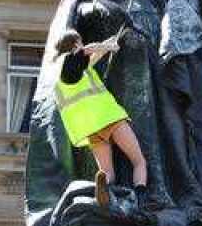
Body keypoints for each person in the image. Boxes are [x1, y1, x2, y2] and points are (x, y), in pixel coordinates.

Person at [53, 27, 148, 209]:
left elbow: (94, 56)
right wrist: (107, 47)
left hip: (90, 129)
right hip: (109, 118)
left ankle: (104, 195)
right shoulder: (71, 63)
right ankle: (141, 197)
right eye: (80, 43)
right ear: (75, 45)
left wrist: (112, 42)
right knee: (138, 160)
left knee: (107, 174)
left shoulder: (62, 75)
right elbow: (88, 51)